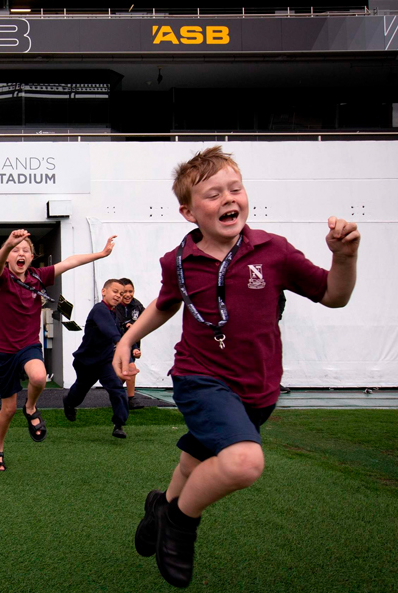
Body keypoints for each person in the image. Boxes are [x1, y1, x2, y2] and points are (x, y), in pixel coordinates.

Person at [113, 146, 360, 588]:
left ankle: (160, 505)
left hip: (259, 388)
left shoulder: (274, 251)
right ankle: (179, 522)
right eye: (213, 194)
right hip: (200, 376)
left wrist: (345, 257)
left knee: (195, 463)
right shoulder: (178, 261)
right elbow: (167, 305)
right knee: (244, 462)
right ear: (189, 211)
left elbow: (334, 295)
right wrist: (130, 337)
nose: (229, 199)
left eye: (235, 188)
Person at [0, 229, 116, 472]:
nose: (20, 253)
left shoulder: (38, 276)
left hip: (27, 345)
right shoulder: (1, 277)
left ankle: (31, 407)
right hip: (2, 351)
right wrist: (7, 244)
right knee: (7, 409)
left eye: (25, 250)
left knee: (38, 377)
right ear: (7, 256)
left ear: (32, 257)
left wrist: (101, 253)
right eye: (15, 250)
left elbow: (69, 262)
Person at [63, 279, 131, 438]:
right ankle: (69, 402)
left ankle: (119, 424)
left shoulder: (116, 312)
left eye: (121, 294)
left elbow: (120, 333)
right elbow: (110, 330)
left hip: (105, 361)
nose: (118, 296)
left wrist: (132, 348)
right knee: (80, 390)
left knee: (117, 388)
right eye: (115, 292)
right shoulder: (99, 310)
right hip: (86, 361)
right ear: (104, 291)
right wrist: (119, 341)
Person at [116, 278, 146, 409]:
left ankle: (128, 398)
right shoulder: (115, 305)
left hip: (131, 345)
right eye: (125, 292)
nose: (128, 295)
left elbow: (145, 323)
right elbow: (117, 327)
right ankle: (121, 395)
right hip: (116, 345)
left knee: (130, 369)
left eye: (131, 291)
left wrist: (136, 347)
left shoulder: (137, 306)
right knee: (129, 369)